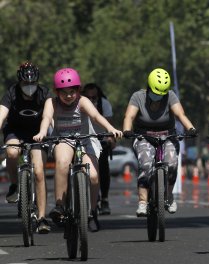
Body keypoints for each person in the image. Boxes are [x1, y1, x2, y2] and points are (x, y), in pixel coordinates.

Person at [33, 68, 122, 232]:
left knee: (94, 176)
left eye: (72, 92)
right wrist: (42, 133)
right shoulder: (51, 103)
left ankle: (92, 212)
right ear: (56, 92)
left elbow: (96, 116)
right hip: (64, 139)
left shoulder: (83, 101)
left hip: (86, 139)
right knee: (62, 163)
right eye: (64, 92)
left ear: (78, 90)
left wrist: (111, 128)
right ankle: (59, 205)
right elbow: (46, 118)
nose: (68, 96)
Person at [122, 68, 197, 217]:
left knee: (172, 163)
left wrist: (191, 128)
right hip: (144, 136)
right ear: (149, 87)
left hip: (167, 136)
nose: (159, 96)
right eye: (156, 93)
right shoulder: (138, 96)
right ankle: (142, 202)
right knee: (145, 164)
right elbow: (129, 116)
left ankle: (168, 196)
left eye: (162, 93)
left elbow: (180, 114)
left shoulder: (170, 96)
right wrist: (126, 130)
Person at [0, 62, 52, 234]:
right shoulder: (11, 93)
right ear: (19, 82)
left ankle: (42, 217)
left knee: (38, 172)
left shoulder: (45, 93)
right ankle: (15, 185)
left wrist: (48, 131)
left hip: (38, 133)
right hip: (15, 130)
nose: (29, 87)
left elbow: (49, 115)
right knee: (12, 152)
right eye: (25, 84)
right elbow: (1, 115)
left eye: (32, 84)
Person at [82, 83, 115, 215]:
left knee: (103, 168)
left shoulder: (104, 104)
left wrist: (111, 137)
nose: (91, 101)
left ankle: (104, 199)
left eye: (94, 98)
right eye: (87, 97)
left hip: (100, 138)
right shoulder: (79, 103)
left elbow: (108, 122)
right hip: (83, 137)